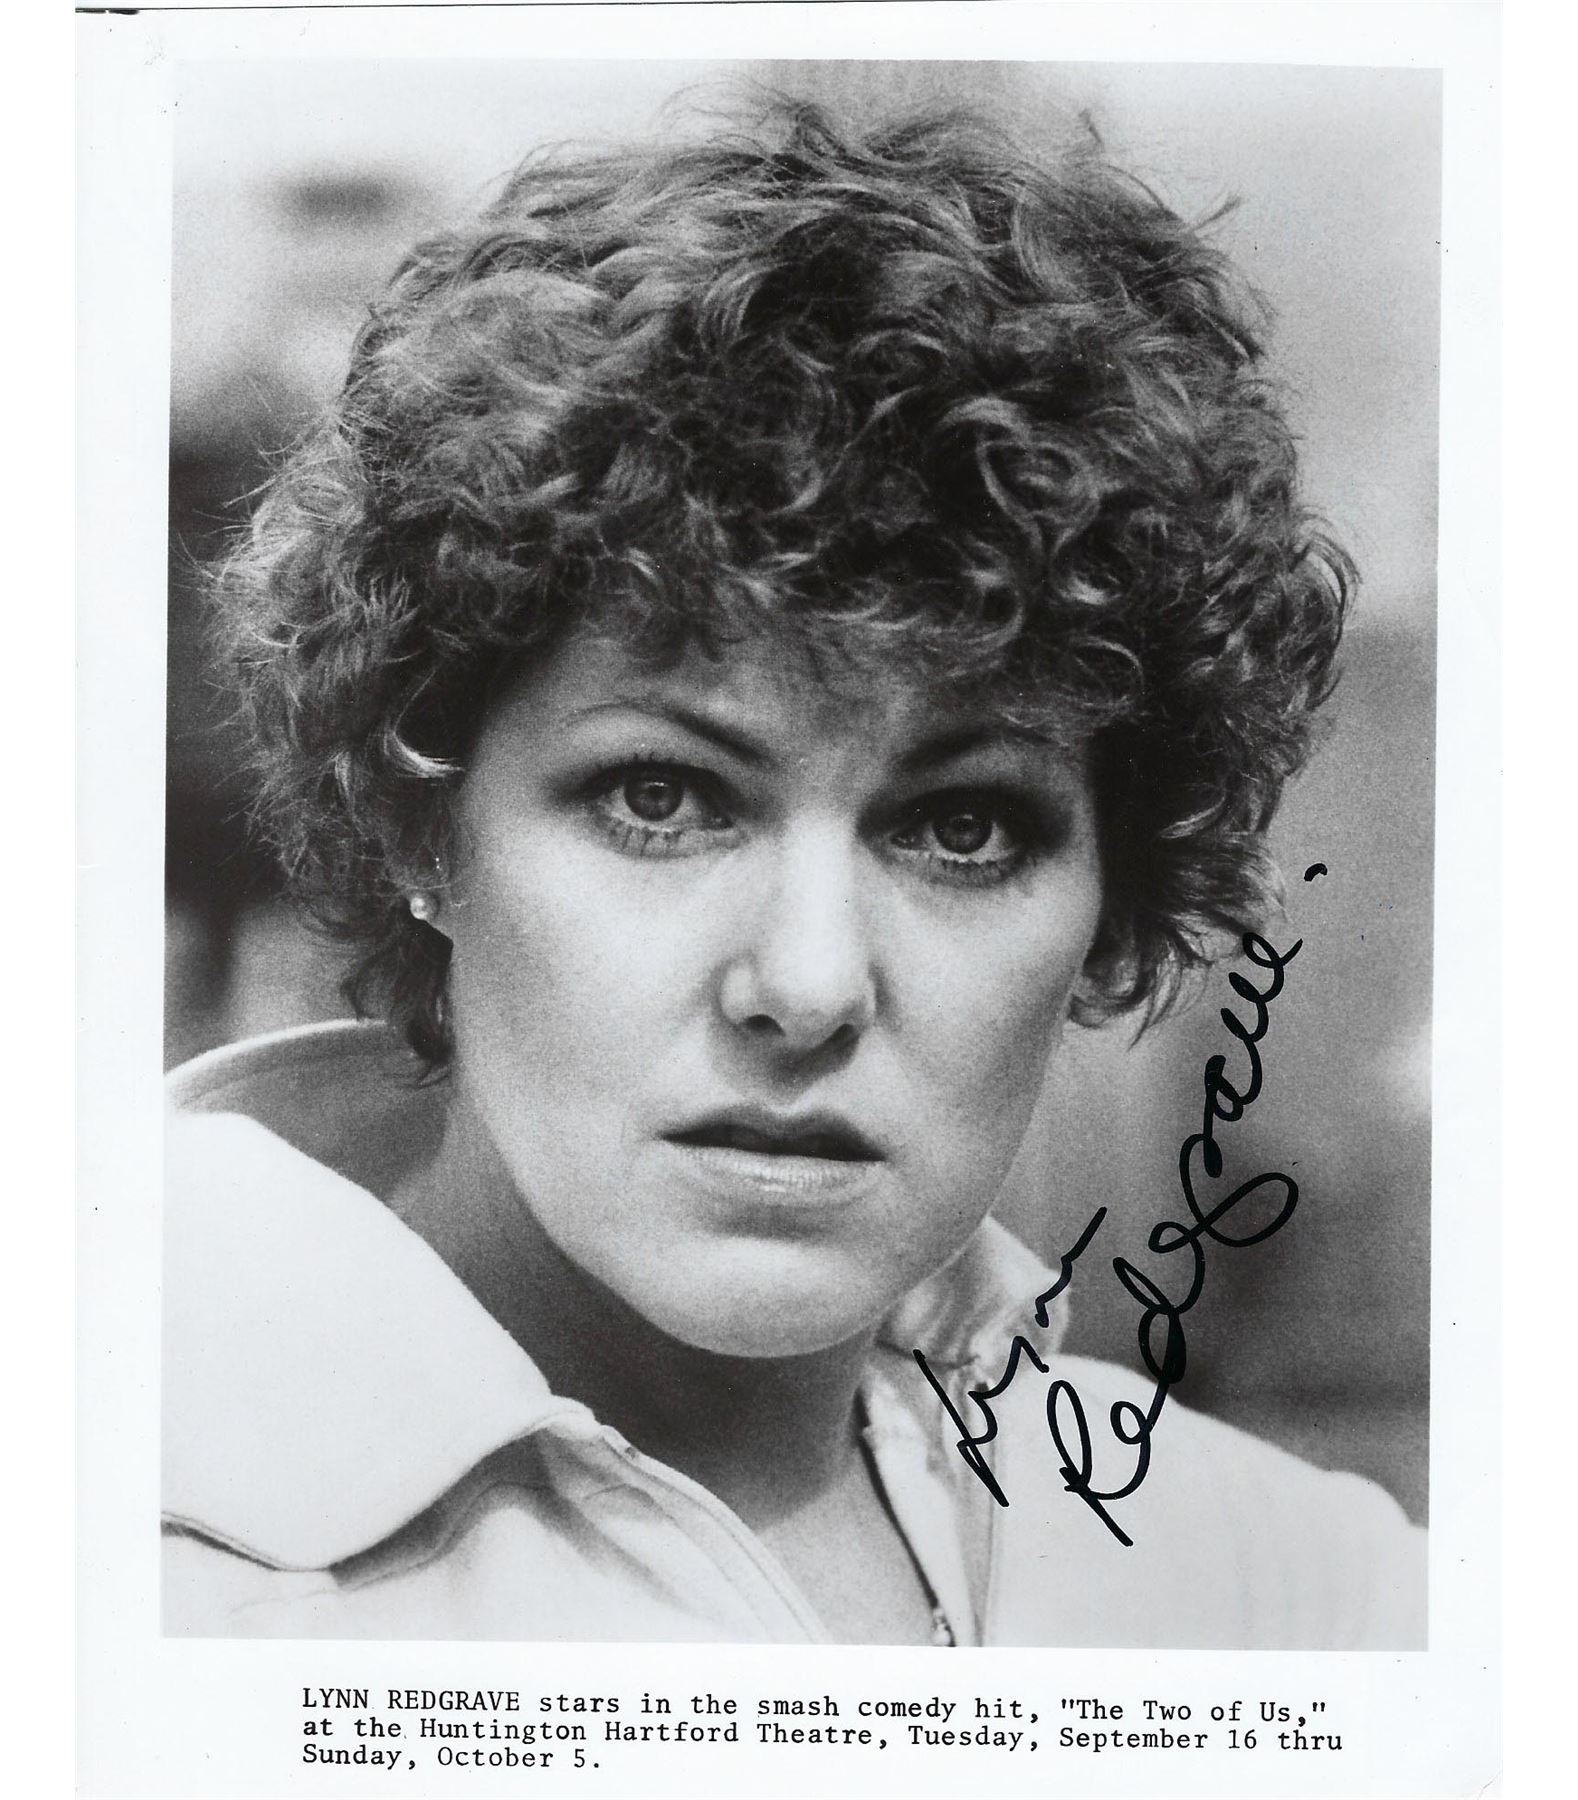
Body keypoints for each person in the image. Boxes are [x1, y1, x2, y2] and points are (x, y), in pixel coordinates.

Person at [163, 98, 1425, 1647]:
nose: (809, 984)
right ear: (421, 823)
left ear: (1111, 904)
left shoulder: (1310, 1593)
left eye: (961, 829)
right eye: (660, 798)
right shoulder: (115, 1546)